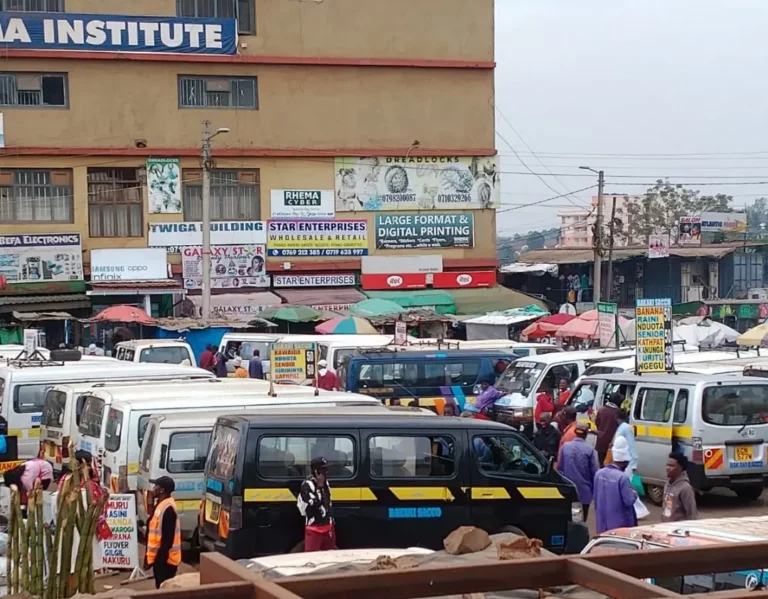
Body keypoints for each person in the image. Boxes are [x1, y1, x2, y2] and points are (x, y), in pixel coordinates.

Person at [593, 436, 638, 534]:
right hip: (620, 526)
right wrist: (634, 492)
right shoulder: (622, 478)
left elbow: (595, 498)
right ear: (625, 462)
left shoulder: (599, 473)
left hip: (602, 523)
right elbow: (629, 501)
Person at [145, 476, 181, 588]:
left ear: (162, 490)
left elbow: (167, 541)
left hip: (166, 561)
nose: (153, 488)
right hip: (160, 559)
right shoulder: (161, 505)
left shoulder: (168, 509)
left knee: (164, 590)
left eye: (156, 486)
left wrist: (159, 562)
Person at [557, 423, 598, 518]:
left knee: (572, 519)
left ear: (575, 433)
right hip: (583, 493)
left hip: (569, 491)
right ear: (586, 434)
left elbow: (560, 468)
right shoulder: (590, 450)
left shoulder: (566, 447)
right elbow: (594, 472)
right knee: (579, 521)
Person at [297, 457, 335, 552]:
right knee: (312, 557)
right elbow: (313, 506)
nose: (326, 472)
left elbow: (328, 503)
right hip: (314, 529)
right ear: (316, 471)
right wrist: (319, 487)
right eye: (323, 470)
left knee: (329, 556)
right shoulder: (307, 485)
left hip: (328, 527)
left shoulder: (326, 484)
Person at [661, 452, 698, 523]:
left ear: (680, 468)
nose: (668, 468)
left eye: (672, 466)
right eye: (667, 465)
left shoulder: (685, 488)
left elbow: (692, 512)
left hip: (679, 528)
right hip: (666, 526)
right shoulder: (667, 484)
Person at [595, 394, 620, 466]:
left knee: (601, 464)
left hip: (600, 442)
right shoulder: (617, 412)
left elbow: (597, 423)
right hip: (611, 443)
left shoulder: (601, 410)